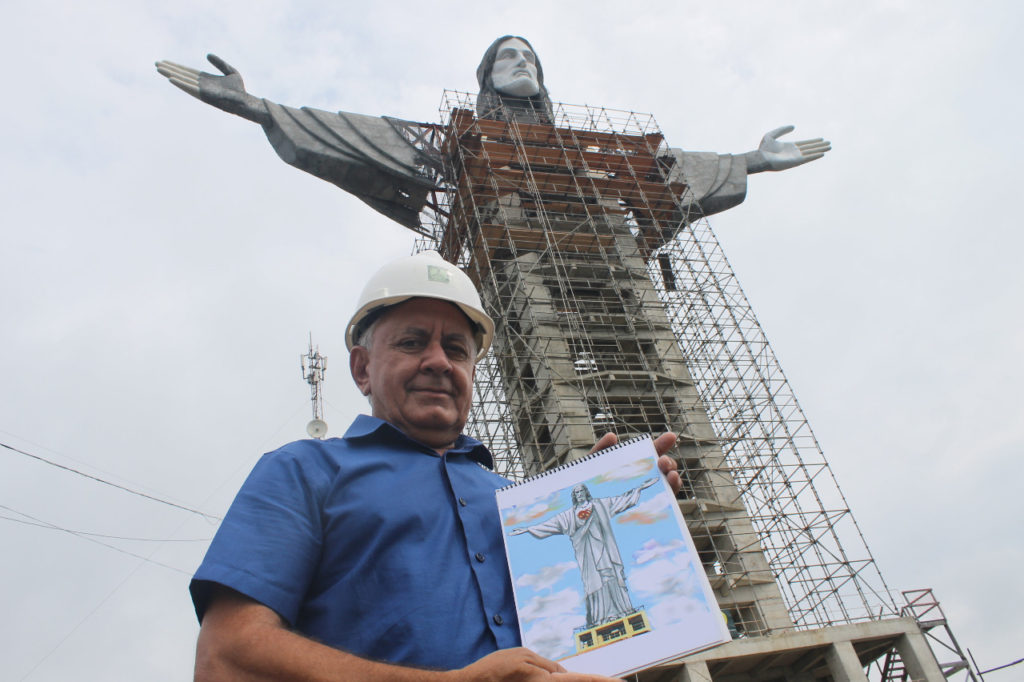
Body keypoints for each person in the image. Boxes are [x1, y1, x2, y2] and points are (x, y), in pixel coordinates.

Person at [190, 250, 682, 681]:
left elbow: (581, 634)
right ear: (362, 368)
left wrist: (596, 498)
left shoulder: (517, 500)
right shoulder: (305, 471)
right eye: (411, 342)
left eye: (455, 350)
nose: (439, 362)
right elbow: (228, 660)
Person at [155, 35, 830, 234]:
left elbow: (669, 167)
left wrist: (753, 161)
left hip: (607, 266)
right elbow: (361, 136)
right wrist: (258, 107)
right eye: (508, 57)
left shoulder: (595, 155)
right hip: (523, 266)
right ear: (484, 78)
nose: (523, 64)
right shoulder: (460, 143)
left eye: (531, 57)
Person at [510, 479, 659, 628]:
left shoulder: (600, 505)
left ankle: (621, 610)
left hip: (604, 550)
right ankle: (602, 617)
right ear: (574, 496)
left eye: (581, 491)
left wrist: (639, 489)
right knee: (594, 583)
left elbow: (620, 501)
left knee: (610, 576)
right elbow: (552, 524)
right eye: (576, 493)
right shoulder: (569, 515)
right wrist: (529, 529)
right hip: (587, 556)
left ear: (586, 492)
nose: (579, 494)